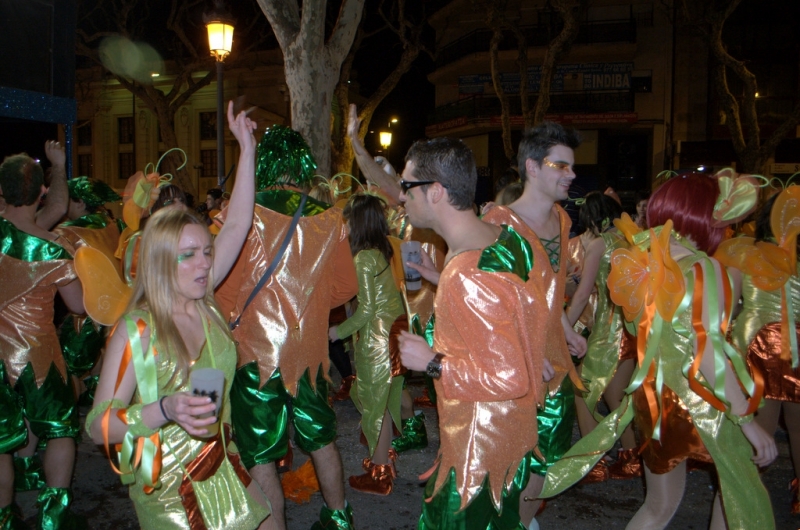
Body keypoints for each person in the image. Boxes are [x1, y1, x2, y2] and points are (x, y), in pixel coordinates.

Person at [544, 173, 778, 530]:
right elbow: (708, 352)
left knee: (659, 507)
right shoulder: (704, 268)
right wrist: (747, 421)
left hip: (654, 399)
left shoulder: (643, 263)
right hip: (703, 402)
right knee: (738, 492)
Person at [87, 103, 274, 530]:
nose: (204, 263)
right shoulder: (138, 330)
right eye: (188, 255)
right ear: (159, 262)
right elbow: (99, 426)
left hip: (222, 463)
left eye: (206, 251)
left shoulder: (204, 297)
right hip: (169, 491)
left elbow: (237, 224)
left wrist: (247, 149)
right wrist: (166, 408)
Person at [396, 137, 548, 529]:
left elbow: (509, 377)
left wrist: (431, 362)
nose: (400, 197)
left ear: (435, 192)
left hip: (477, 454)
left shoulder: (466, 273)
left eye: (406, 186)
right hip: (510, 436)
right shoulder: (503, 237)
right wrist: (439, 276)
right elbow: (513, 306)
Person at [215, 125, 358, 530]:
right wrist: (311, 305)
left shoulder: (245, 214)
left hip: (254, 354)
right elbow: (347, 286)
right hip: (309, 351)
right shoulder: (330, 218)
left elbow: (224, 291)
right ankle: (339, 518)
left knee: (259, 453)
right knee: (320, 436)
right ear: (302, 166)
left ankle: (273, 523)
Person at [481, 121, 587, 526]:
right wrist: (521, 353)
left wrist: (566, 328)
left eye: (571, 166)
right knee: (510, 455)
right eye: (561, 166)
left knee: (549, 456)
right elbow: (488, 305)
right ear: (532, 167)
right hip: (514, 366)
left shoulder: (561, 219)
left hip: (554, 365)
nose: (571, 174)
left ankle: (522, 523)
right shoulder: (498, 223)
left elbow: (549, 289)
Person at [0, 141, 86, 529]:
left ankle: (4, 519)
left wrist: (57, 168)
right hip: (40, 358)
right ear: (41, 191)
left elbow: (55, 208)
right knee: (61, 429)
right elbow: (79, 306)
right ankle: (53, 517)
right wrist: (59, 165)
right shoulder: (52, 249)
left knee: (1, 442)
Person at [348, 104, 441, 451]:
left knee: (435, 386)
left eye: (406, 183)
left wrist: (357, 146)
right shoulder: (402, 216)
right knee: (397, 380)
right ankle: (413, 431)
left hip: (432, 316)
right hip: (406, 313)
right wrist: (356, 145)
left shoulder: (437, 218)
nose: (398, 192)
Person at [724, 189, 800, 515]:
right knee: (797, 426)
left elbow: (728, 308)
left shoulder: (745, 253)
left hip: (759, 345)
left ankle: (747, 499)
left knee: (759, 427)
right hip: (796, 345)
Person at [329, 193, 407, 495]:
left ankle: (380, 475)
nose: (345, 226)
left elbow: (366, 310)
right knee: (381, 401)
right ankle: (382, 460)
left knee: (373, 402)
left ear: (358, 222)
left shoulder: (363, 258)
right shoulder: (380, 251)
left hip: (378, 338)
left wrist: (339, 332)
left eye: (348, 220)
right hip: (393, 330)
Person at [565, 191, 640, 480]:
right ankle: (631, 458)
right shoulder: (630, 241)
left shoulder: (599, 244)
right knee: (616, 398)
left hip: (609, 331)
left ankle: (592, 462)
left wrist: (563, 327)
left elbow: (583, 294)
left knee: (582, 390)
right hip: (630, 328)